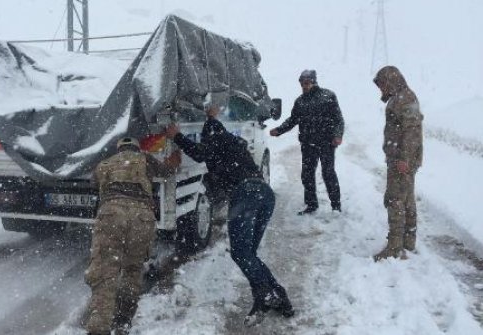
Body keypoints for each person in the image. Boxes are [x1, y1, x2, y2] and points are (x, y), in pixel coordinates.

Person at [165, 101, 294, 324]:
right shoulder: (233, 141)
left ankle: (267, 295)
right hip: (264, 194)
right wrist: (211, 117)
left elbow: (199, 152)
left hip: (245, 194)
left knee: (241, 254)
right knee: (248, 255)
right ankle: (277, 298)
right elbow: (213, 137)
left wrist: (176, 135)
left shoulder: (216, 140)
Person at [85, 137, 181, 335]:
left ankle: (99, 326)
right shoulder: (146, 159)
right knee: (132, 268)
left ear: (118, 149)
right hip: (142, 216)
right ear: (137, 148)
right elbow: (169, 170)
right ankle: (123, 320)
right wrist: (176, 155)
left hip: (111, 213)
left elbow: (93, 182)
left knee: (105, 271)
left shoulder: (105, 163)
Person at [269, 70, 344, 215]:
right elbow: (293, 120)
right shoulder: (300, 101)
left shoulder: (328, 96)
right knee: (307, 174)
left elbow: (338, 119)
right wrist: (279, 130)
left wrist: (338, 135)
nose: (304, 85)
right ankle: (311, 205)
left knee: (328, 173)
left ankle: (336, 206)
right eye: (302, 83)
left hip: (327, 143)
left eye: (307, 82)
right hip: (308, 144)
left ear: (314, 81)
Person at [372, 66, 423, 262]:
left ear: (391, 81)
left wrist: (404, 159)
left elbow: (411, 132)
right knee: (407, 199)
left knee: (395, 200)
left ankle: (394, 247)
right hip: (401, 158)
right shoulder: (401, 97)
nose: (381, 89)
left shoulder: (405, 98)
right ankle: (408, 242)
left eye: (383, 84)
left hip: (402, 160)